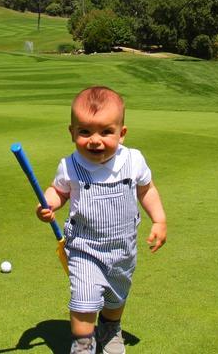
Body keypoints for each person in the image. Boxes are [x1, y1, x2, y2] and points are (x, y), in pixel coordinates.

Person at [36, 86, 167, 354]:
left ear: (122, 132)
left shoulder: (134, 160)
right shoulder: (70, 165)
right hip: (84, 247)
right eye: (84, 132)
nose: (95, 140)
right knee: (83, 300)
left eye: (106, 132)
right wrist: (48, 205)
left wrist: (159, 220)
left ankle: (110, 328)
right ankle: (83, 344)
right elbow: (59, 191)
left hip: (122, 248)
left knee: (116, 296)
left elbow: (147, 189)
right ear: (72, 132)